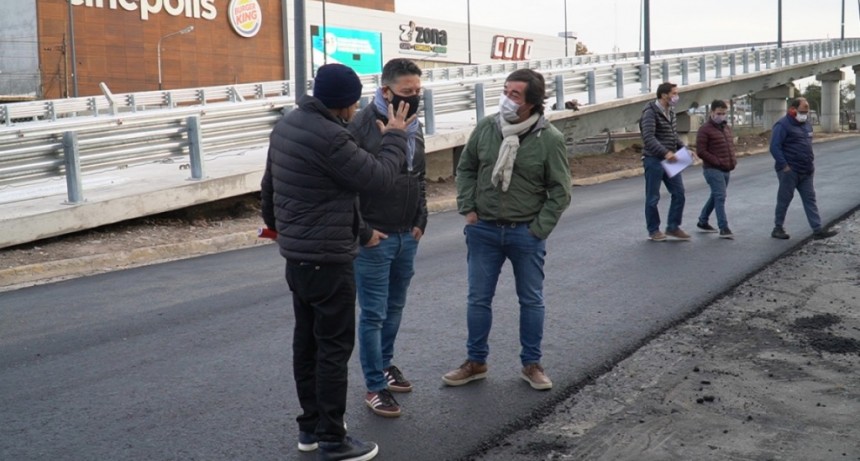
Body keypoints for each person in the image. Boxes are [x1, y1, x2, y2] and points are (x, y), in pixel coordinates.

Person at [260, 63, 416, 461]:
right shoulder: (331, 137)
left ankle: (309, 428)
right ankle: (333, 437)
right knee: (332, 349)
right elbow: (379, 178)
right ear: (343, 104)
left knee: (307, 344)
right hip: (328, 260)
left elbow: (269, 191)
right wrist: (397, 138)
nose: (357, 107)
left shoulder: (288, 126)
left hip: (298, 257)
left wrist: (289, 234)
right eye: (354, 101)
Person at [444, 69, 571, 391]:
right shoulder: (487, 127)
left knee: (531, 300)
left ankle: (532, 364)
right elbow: (467, 167)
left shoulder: (549, 139)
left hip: (524, 232)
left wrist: (538, 230)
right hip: (483, 229)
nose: (506, 99)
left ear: (531, 103)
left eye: (514, 95)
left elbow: (560, 191)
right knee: (477, 299)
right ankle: (476, 362)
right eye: (505, 91)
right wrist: (468, 209)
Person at [347, 58, 427, 418]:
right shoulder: (361, 125)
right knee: (374, 314)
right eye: (407, 92)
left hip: (406, 233)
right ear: (385, 91)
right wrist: (363, 231)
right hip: (375, 238)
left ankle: (385, 363)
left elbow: (417, 174)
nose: (414, 98)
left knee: (395, 308)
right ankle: (374, 386)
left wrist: (421, 218)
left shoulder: (412, 122)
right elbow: (347, 185)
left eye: (418, 92)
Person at [769, 97, 838, 240]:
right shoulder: (782, 125)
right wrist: (785, 166)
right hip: (790, 171)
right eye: (802, 111)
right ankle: (778, 228)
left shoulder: (806, 125)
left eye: (806, 112)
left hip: (806, 171)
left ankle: (817, 230)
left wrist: (810, 165)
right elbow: (774, 147)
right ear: (792, 110)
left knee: (810, 199)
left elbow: (807, 145)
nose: (804, 114)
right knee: (784, 199)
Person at [640, 82, 690, 241]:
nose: (676, 96)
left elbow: (673, 136)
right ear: (663, 95)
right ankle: (653, 230)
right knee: (653, 197)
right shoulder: (650, 112)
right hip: (654, 159)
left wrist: (684, 149)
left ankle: (673, 227)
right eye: (674, 93)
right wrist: (665, 152)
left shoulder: (672, 112)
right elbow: (648, 137)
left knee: (679, 193)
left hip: (671, 160)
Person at [695, 100, 737, 239]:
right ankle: (723, 227)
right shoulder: (705, 129)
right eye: (719, 113)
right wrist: (716, 161)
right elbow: (701, 151)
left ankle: (703, 220)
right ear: (711, 112)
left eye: (724, 113)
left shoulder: (726, 128)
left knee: (715, 195)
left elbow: (729, 146)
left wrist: (732, 160)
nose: (721, 116)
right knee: (720, 196)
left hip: (726, 168)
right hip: (712, 169)